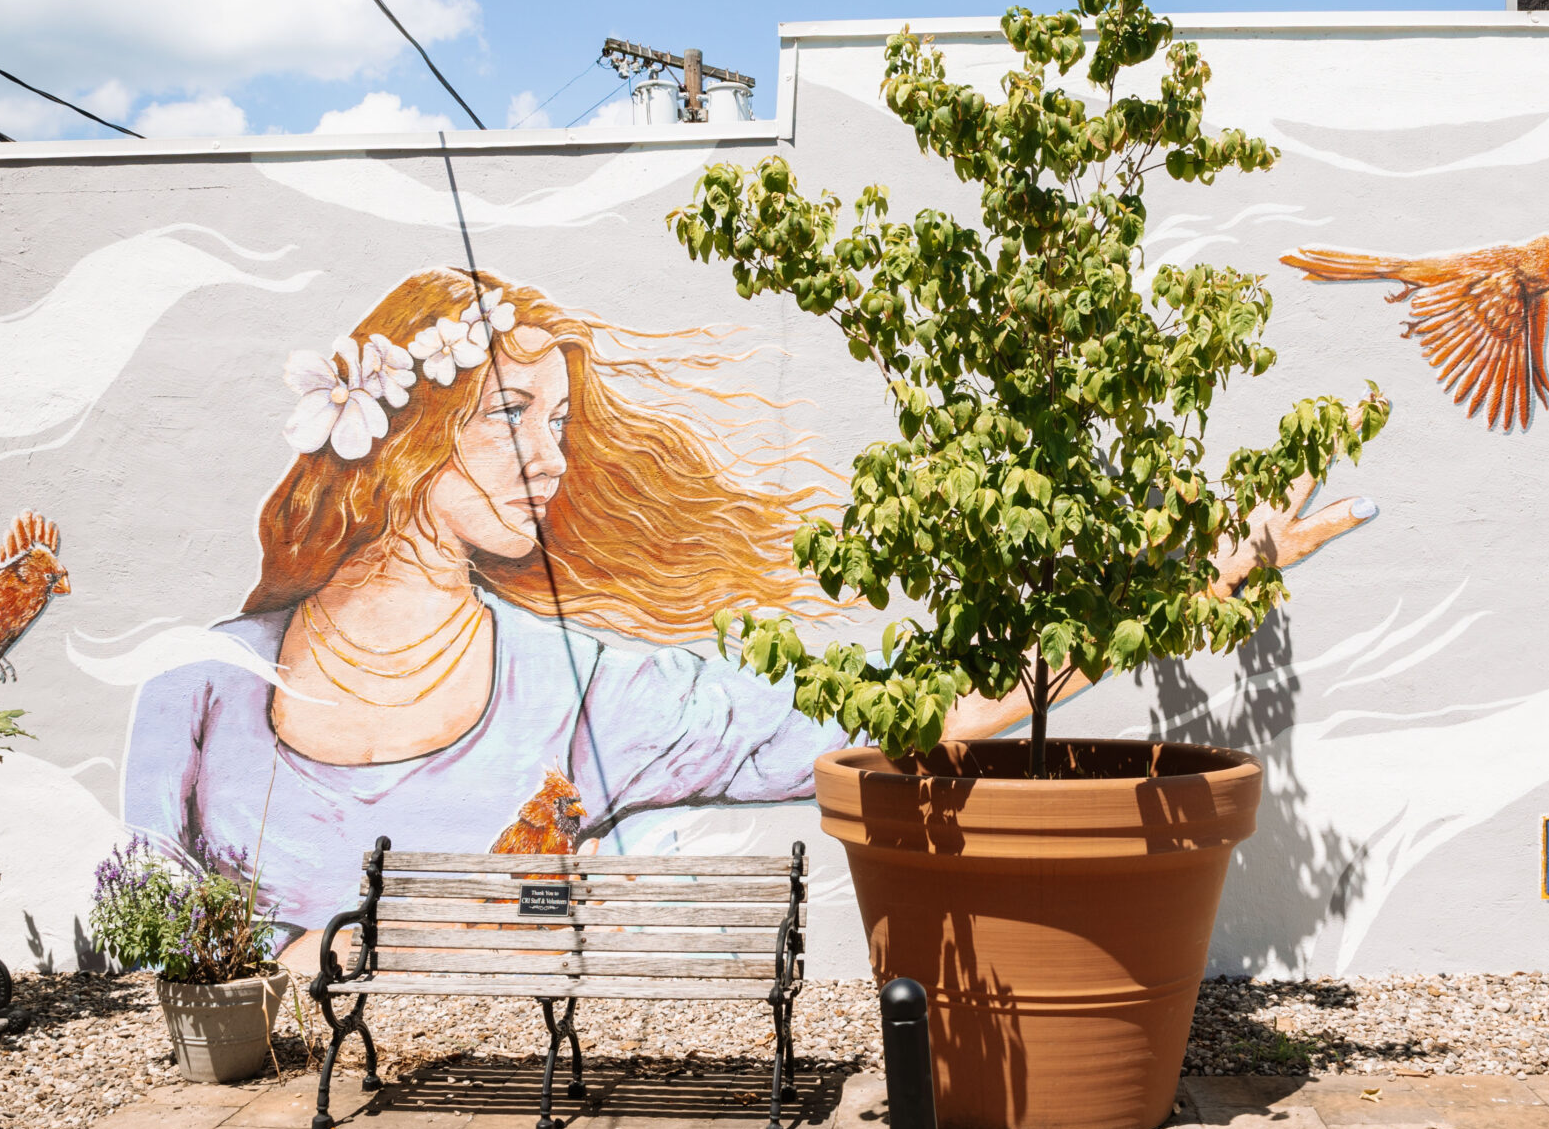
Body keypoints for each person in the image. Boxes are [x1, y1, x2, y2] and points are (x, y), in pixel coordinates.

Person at [122, 268, 1366, 960]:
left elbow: (906, 715)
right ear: (403, 429)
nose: (551, 458)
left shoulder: (593, 692)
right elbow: (148, 905)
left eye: (562, 426)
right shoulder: (203, 681)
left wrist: (1193, 588)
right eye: (511, 416)